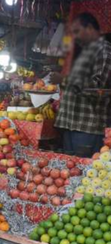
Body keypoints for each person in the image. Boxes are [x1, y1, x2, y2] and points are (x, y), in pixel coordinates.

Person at [50, 12, 111, 157]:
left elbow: (98, 88)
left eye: (77, 31)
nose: (75, 36)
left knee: (83, 171)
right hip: (72, 124)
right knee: (70, 172)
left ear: (89, 28)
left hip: (87, 127)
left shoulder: (105, 51)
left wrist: (64, 80)